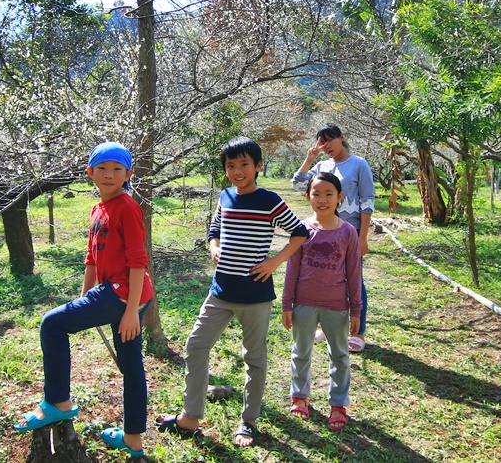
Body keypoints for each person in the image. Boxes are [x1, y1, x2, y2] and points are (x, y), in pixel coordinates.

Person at [157, 136, 309, 447]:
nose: (237, 171)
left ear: (258, 166)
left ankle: (248, 422)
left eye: (244, 164)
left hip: (255, 294)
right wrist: (214, 247)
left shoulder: (269, 200)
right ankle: (190, 417)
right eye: (231, 165)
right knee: (196, 346)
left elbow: (299, 233)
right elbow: (215, 229)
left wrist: (274, 262)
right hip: (220, 292)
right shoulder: (225, 196)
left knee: (254, 359)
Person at [14, 141, 154, 460]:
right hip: (114, 293)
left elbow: (137, 261)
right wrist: (83, 299)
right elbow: (92, 258)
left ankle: (59, 403)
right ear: (90, 172)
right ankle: (133, 440)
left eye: (117, 169)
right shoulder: (98, 208)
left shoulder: (128, 207)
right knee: (131, 366)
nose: (109, 174)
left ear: (128, 174)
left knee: (51, 324)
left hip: (124, 294)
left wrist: (131, 311)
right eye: (102, 168)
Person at [282, 172, 362, 431]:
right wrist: (287, 304)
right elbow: (292, 269)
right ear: (308, 197)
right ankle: (299, 397)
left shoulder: (348, 233)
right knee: (301, 352)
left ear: (340, 197)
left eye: (329, 194)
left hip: (336, 306)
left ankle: (338, 404)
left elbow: (354, 274)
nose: (322, 199)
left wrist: (356, 310)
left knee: (339, 355)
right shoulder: (302, 230)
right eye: (316, 193)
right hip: (303, 305)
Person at [291, 124, 375, 352]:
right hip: (325, 232)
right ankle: (326, 325)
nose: (326, 145)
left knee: (354, 280)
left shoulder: (358, 164)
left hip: (351, 232)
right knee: (326, 278)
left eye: (330, 140)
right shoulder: (321, 166)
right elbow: (298, 184)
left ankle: (358, 332)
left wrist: (363, 237)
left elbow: (367, 201)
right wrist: (310, 158)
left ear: (342, 138)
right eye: (322, 142)